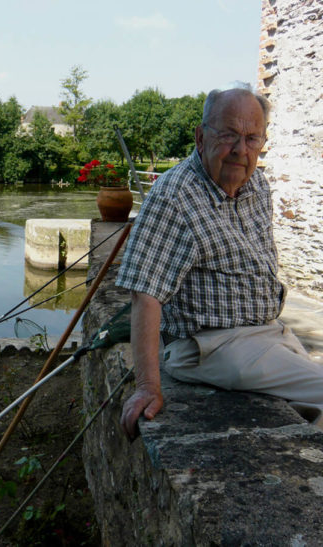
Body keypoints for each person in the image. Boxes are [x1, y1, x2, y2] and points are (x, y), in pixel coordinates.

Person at [119, 86, 323, 437]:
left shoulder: (257, 184)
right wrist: (147, 386)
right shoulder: (175, 195)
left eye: (252, 138)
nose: (240, 150)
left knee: (309, 409)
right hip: (212, 346)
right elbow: (144, 293)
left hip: (266, 334)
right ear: (201, 137)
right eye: (228, 135)